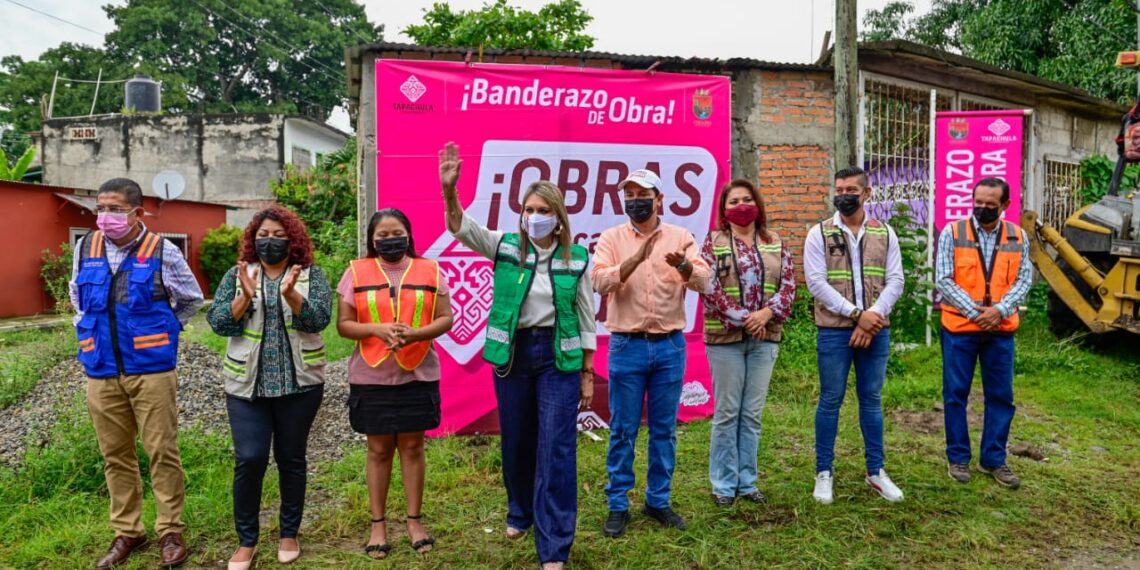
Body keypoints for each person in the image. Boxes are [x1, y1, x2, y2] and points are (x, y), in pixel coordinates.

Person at [440, 142, 596, 570]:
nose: (533, 217)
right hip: (514, 357)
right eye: (527, 209)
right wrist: (450, 192)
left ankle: (554, 545)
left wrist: (587, 371)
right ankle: (520, 512)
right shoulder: (506, 247)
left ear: (558, 217)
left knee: (556, 448)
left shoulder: (577, 257)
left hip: (557, 361)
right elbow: (461, 228)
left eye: (542, 209)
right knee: (518, 440)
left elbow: (586, 317)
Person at [69, 178, 203, 570]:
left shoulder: (162, 251)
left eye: (114, 209)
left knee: (162, 450)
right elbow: (78, 297)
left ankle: (170, 531)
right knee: (116, 455)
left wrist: (163, 331)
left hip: (151, 370)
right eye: (101, 208)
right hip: (101, 369)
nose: (105, 217)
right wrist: (88, 331)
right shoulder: (85, 248)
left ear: (136, 212)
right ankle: (127, 531)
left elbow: (191, 300)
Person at [206, 206, 332, 570]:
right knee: (250, 459)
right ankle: (247, 541)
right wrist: (243, 297)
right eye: (263, 235)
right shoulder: (237, 274)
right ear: (253, 239)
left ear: (292, 239)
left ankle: (289, 532)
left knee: (291, 460)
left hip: (300, 385)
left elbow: (319, 319)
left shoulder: (311, 275)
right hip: (248, 388)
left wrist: (292, 294)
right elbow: (218, 324)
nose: (271, 241)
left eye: (279, 235)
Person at [592, 168, 710, 537]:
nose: (636, 201)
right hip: (626, 346)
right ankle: (617, 505)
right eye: (629, 196)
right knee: (623, 430)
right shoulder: (611, 238)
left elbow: (704, 282)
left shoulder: (680, 236)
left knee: (663, 430)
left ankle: (658, 501)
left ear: (659, 200)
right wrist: (635, 258)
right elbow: (598, 281)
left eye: (643, 194)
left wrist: (685, 266)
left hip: (669, 347)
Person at [336, 208, 453, 559]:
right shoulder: (356, 271)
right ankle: (378, 524)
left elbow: (446, 317)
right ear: (372, 240)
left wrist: (417, 333)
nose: (390, 239)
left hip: (417, 373)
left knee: (414, 447)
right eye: (383, 235)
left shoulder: (431, 269)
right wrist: (376, 329)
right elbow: (344, 324)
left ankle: (414, 520)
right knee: (379, 450)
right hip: (371, 375)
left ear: (409, 234)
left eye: (396, 232)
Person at [803, 166, 905, 505]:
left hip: (875, 330)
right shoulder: (819, 233)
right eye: (839, 188)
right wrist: (857, 315)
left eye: (850, 189)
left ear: (866, 194)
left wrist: (872, 317)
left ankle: (876, 471)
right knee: (830, 400)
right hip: (834, 331)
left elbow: (896, 281)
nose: (843, 194)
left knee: (872, 400)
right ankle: (824, 472)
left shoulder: (886, 233)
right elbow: (816, 283)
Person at [699, 179, 796, 507]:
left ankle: (748, 481)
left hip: (765, 339)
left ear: (757, 204)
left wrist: (765, 315)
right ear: (724, 210)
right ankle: (724, 485)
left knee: (752, 414)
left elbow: (789, 287)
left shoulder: (775, 242)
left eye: (746, 199)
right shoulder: (712, 243)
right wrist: (744, 318)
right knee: (727, 412)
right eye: (733, 201)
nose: (741, 206)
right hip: (724, 340)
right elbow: (708, 288)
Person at [936, 177, 1031, 489]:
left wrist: (999, 311)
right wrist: (977, 312)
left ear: (1005, 205)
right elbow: (944, 279)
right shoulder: (953, 232)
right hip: (960, 328)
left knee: (1001, 396)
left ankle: (993, 459)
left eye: (991, 204)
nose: (983, 209)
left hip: (1000, 330)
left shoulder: (1018, 236)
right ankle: (958, 457)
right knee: (955, 395)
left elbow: (1024, 280)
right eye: (978, 202)